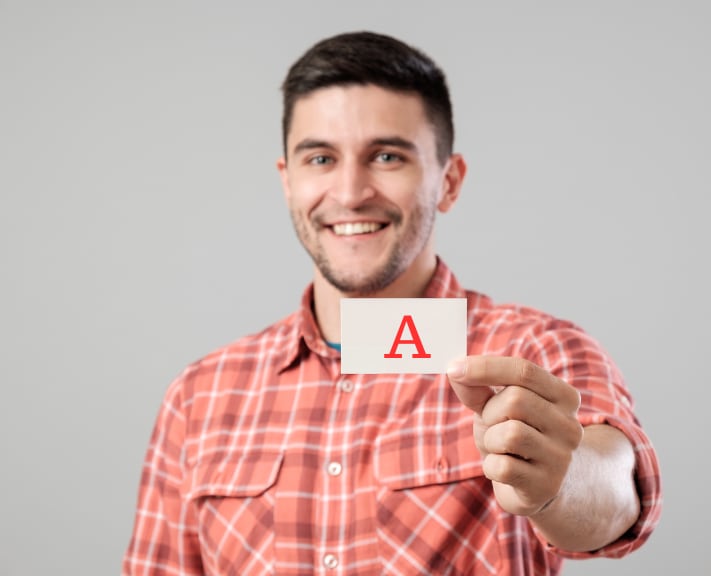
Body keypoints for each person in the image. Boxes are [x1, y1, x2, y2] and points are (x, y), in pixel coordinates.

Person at [123, 31, 661, 575]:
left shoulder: (533, 351)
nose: (351, 191)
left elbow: (618, 494)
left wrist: (559, 485)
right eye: (320, 158)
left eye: (386, 156)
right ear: (287, 181)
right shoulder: (199, 397)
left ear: (448, 182)